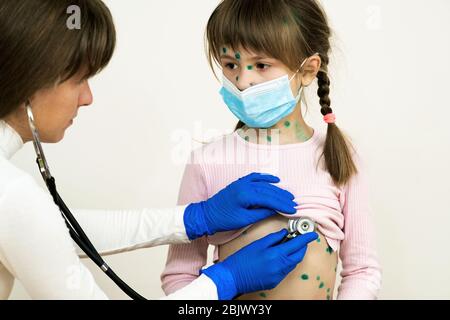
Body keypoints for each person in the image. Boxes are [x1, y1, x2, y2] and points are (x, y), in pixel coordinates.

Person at [0, 0, 318, 300]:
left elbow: (55, 230)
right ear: (33, 75)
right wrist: (226, 281)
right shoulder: (12, 195)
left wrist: (197, 218)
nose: (87, 97)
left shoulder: (14, 198)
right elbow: (32, 220)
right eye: (80, 79)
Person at [161, 0, 382, 300]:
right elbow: (180, 275)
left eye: (261, 65)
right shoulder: (208, 162)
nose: (243, 80)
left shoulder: (337, 157)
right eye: (230, 64)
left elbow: (362, 271)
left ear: (307, 70)